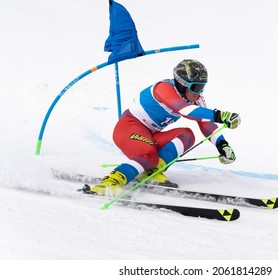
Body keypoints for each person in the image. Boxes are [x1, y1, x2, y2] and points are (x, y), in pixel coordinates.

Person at [85, 59, 241, 196]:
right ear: (182, 84)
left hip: (151, 134)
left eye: (202, 87)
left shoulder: (195, 97)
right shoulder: (164, 88)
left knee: (186, 134)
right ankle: (111, 181)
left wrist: (222, 145)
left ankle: (153, 171)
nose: (199, 92)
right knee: (149, 156)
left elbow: (206, 122)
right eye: (196, 87)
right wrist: (220, 115)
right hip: (129, 128)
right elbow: (184, 110)